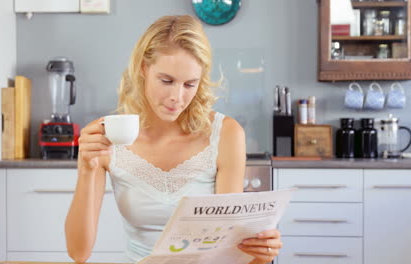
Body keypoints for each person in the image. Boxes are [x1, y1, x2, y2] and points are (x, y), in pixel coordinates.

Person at [65, 15, 283, 264]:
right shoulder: (109, 136)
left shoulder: (226, 134)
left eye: (190, 84)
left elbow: (227, 250)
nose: (176, 97)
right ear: (143, 69)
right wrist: (85, 168)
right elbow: (78, 253)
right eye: (166, 81)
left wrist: (260, 255)